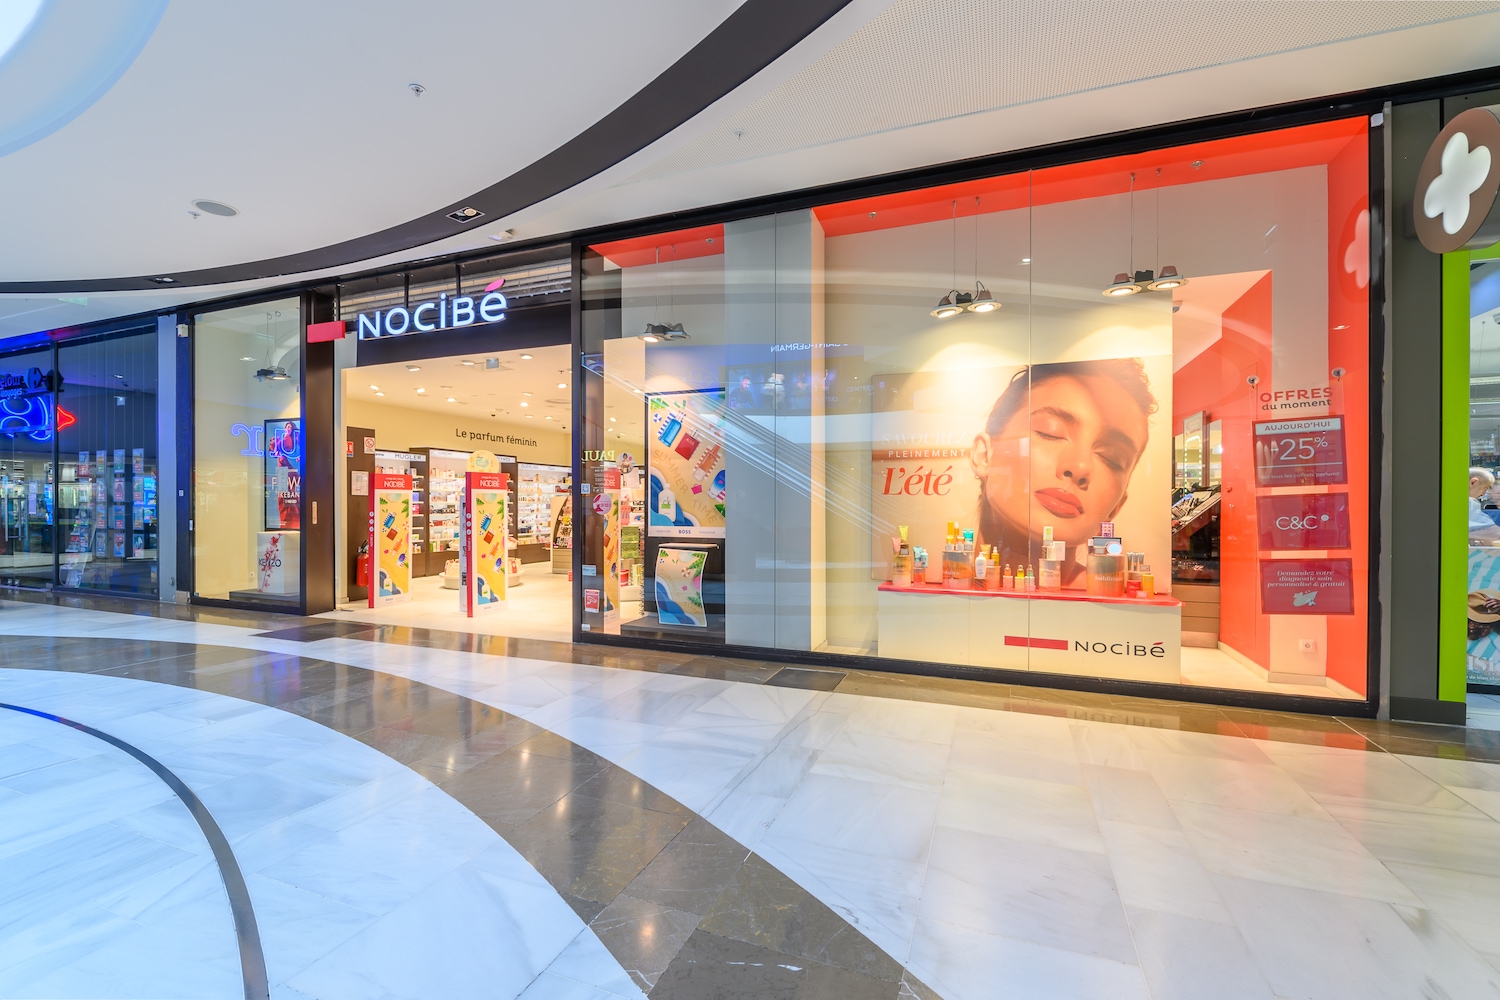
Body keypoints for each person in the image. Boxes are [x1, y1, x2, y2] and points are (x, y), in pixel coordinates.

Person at [970, 359, 1156, 589]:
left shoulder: (1107, 602)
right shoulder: (941, 582)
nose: (1080, 466)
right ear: (984, 455)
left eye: (1111, 458)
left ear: (1116, 506)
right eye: (1051, 433)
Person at [1469, 467, 1500, 544]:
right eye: (1485, 488)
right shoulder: (1469, 502)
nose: (1483, 494)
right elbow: (1492, 532)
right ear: (1473, 482)